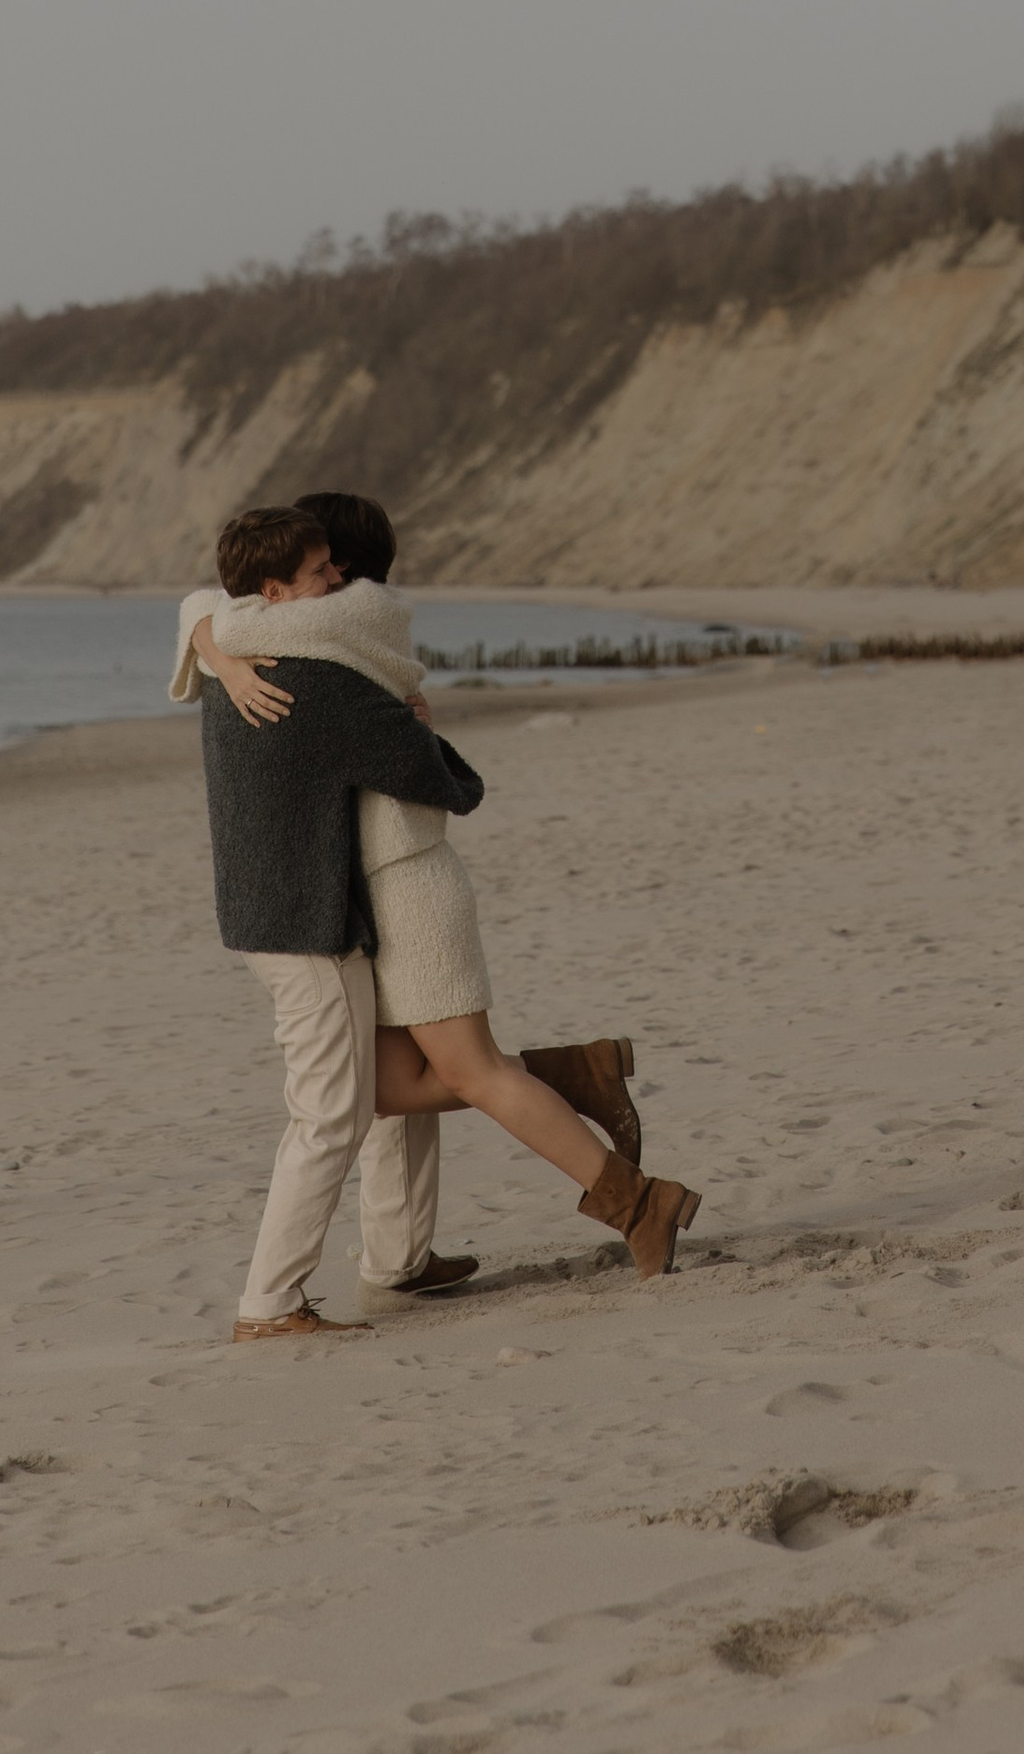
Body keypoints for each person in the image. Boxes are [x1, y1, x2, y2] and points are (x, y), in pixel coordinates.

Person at [184, 504, 698, 1337]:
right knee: (387, 1094)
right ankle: (579, 1092)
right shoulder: (317, 668)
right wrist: (419, 732)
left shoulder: (257, 652)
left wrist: (216, 648)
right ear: (278, 590)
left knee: (420, 1085)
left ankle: (617, 1200)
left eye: (334, 567)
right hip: (322, 913)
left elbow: (203, 609)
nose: (334, 579)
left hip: (354, 903)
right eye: (320, 570)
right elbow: (449, 783)